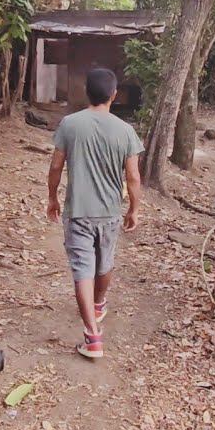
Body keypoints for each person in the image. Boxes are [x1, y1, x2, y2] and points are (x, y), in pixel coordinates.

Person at [46, 68, 144, 359]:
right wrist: (134, 209)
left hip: (78, 211)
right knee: (105, 262)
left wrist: (52, 198)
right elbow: (133, 177)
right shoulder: (126, 131)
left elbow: (55, 166)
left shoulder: (70, 124)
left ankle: (92, 338)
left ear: (86, 92)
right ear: (114, 95)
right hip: (110, 212)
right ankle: (99, 304)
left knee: (82, 270)